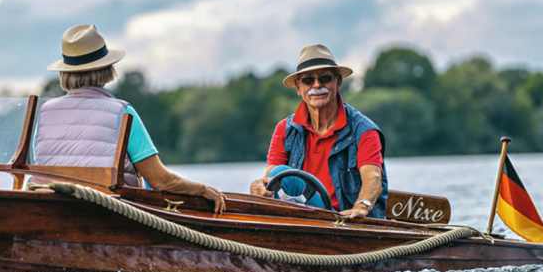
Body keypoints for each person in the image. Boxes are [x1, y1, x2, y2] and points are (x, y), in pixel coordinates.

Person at [34, 24, 226, 215]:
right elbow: (161, 180)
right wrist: (202, 189)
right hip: (109, 214)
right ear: (107, 68)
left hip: (50, 211)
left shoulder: (45, 111)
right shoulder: (122, 112)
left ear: (64, 72)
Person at [249, 44, 388, 219]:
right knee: (277, 174)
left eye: (325, 78)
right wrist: (260, 188)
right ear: (299, 88)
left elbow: (373, 178)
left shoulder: (364, 130)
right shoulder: (284, 128)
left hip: (346, 221)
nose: (317, 85)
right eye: (308, 80)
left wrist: (362, 206)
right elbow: (271, 177)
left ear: (338, 82)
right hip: (304, 218)